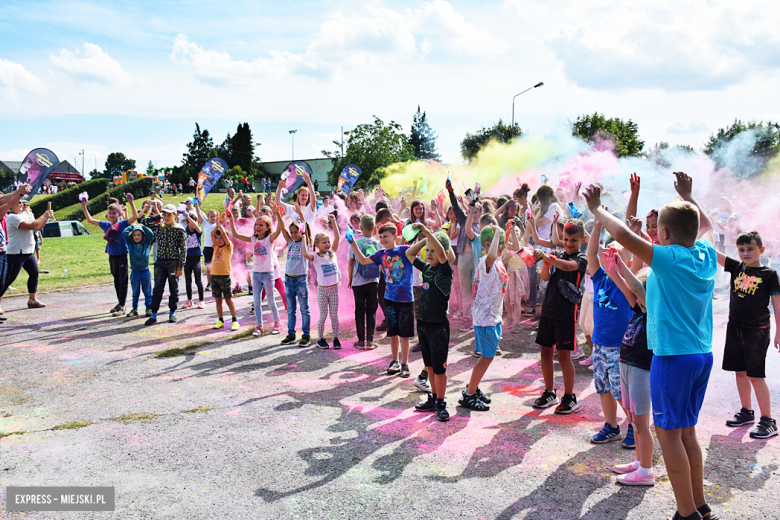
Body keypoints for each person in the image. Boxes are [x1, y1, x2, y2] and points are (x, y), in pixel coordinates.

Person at [583, 172, 720, 520]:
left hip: (673, 358)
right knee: (686, 431)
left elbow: (624, 235)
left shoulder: (671, 258)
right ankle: (700, 506)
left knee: (669, 435)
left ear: (665, 234)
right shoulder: (704, 253)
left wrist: (597, 209)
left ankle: (686, 513)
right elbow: (705, 226)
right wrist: (689, 195)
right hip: (701, 355)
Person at [716, 230, 780, 439]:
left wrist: (779, 332)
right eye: (741, 249)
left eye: (750, 249)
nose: (745, 253)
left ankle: (768, 420)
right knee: (740, 372)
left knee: (755, 375)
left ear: (761, 250)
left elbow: (777, 307)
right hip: (735, 328)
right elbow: (714, 253)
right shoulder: (737, 268)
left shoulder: (769, 275)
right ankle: (746, 412)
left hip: (757, 331)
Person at [606, 257, 655, 486]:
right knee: (634, 421)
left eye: (642, 293)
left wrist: (622, 266)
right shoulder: (638, 309)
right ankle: (639, 462)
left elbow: (634, 287)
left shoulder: (655, 314)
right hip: (627, 365)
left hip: (641, 370)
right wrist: (612, 269)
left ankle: (646, 472)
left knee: (642, 425)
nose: (637, 298)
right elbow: (625, 287)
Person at [531, 218, 587, 414]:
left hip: (565, 315)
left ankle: (570, 397)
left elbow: (568, 267)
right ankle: (549, 392)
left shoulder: (580, 259)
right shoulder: (558, 255)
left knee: (564, 357)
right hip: (548, 311)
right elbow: (546, 277)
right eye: (565, 239)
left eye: (573, 240)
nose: (569, 244)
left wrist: (549, 258)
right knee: (545, 353)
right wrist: (546, 263)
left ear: (582, 240)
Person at [586, 220, 635, 446]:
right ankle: (611, 426)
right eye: (609, 256)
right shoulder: (600, 280)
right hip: (599, 344)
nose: (610, 260)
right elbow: (591, 254)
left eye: (616, 257)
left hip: (619, 347)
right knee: (603, 387)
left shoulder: (628, 285)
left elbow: (638, 261)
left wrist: (634, 235)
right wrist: (597, 226)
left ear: (628, 263)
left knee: (620, 392)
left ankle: (635, 426)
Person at [351, 222, 414, 376]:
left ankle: (405, 363)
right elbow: (364, 261)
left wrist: (420, 232)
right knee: (393, 333)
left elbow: (418, 249)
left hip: (406, 299)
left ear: (395, 236)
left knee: (405, 334)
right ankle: (395, 361)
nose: (383, 239)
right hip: (389, 299)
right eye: (381, 237)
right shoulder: (381, 254)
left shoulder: (405, 250)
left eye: (386, 236)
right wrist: (352, 243)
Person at [458, 225, 508, 411]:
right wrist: (497, 235)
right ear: (488, 244)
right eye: (498, 243)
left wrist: (506, 231)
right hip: (486, 319)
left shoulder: (495, 261)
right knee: (486, 357)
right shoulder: (486, 261)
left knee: (487, 356)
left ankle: (473, 387)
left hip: (492, 317)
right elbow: (493, 254)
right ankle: (469, 395)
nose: (502, 247)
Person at [406, 225, 453, 421]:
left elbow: (442, 253)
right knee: (430, 367)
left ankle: (441, 403)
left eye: (434, 250)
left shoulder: (445, 269)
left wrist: (427, 231)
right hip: (423, 323)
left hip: (438, 326)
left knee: (439, 369)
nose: (430, 253)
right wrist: (425, 240)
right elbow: (409, 253)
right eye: (428, 250)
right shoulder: (425, 267)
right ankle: (433, 399)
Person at [81, 194, 139, 316]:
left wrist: (131, 203)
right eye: (110, 213)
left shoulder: (123, 224)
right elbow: (90, 220)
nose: (112, 215)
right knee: (116, 280)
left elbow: (135, 216)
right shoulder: (106, 224)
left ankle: (122, 306)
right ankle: (120, 303)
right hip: (112, 255)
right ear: (108, 214)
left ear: (119, 214)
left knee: (123, 280)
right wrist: (84, 206)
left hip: (122, 255)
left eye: (114, 213)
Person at [229, 211, 283, 336]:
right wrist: (232, 220)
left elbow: (279, 229)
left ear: (267, 228)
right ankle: (259, 326)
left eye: (261, 225)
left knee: (271, 301)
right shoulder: (253, 239)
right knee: (257, 302)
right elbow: (236, 234)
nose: (257, 227)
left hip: (268, 275)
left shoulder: (269, 239)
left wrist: (279, 215)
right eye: (256, 225)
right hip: (257, 275)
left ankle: (277, 323)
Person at [0, 195, 53, 311]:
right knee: (9, 278)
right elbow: (30, 226)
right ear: (10, 206)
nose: (21, 204)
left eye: (21, 202)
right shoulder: (12, 217)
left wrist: (46, 218)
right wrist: (43, 215)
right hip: (16, 252)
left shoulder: (23, 215)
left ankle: (32, 300)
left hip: (28, 251)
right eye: (18, 202)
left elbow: (37, 228)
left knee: (34, 274)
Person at [141, 204, 187, 326]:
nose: (166, 217)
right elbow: (143, 221)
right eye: (164, 214)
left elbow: (183, 251)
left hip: (173, 263)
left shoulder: (179, 229)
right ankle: (153, 314)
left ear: (175, 215)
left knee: (174, 288)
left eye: (169, 215)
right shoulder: (159, 227)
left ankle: (172, 312)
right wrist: (158, 215)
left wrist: (180, 267)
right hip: (160, 262)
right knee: (157, 289)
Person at [302, 214, 341, 349]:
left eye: (328, 242)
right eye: (324, 242)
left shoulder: (333, 252)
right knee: (323, 315)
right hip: (323, 291)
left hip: (334, 289)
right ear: (317, 245)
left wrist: (333, 222)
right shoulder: (315, 256)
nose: (327, 244)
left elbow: (338, 237)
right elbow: (305, 254)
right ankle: (320, 339)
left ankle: (336, 338)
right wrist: (303, 238)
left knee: (334, 316)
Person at [348, 215, 381, 349]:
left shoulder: (356, 243)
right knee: (371, 311)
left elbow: (351, 262)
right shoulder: (377, 243)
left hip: (358, 282)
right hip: (373, 281)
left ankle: (361, 341)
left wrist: (350, 278)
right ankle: (370, 341)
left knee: (359, 310)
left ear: (360, 228)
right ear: (374, 229)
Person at [278, 216, 311, 347]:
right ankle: (291, 333)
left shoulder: (305, 241)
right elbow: (281, 228)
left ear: (301, 231)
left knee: (304, 309)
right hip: (288, 280)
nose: (293, 235)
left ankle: (306, 335)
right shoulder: (290, 241)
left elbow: (306, 230)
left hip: (301, 280)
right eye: (291, 232)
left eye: (295, 232)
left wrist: (300, 216)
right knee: (291, 309)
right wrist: (278, 214)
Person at [210, 214, 239, 331]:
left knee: (228, 299)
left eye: (221, 237)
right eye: (217, 238)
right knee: (218, 300)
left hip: (224, 276)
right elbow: (213, 233)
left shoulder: (228, 246)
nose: (218, 240)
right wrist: (218, 223)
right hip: (214, 276)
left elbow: (224, 237)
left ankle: (234, 320)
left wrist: (219, 224)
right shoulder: (215, 246)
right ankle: (220, 320)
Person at [122, 223, 155, 317]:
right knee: (135, 292)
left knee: (147, 291)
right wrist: (132, 226)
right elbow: (124, 233)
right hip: (135, 272)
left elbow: (151, 234)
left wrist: (143, 226)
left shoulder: (146, 242)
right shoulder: (130, 243)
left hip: (145, 271)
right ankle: (134, 308)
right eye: (135, 235)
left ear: (143, 235)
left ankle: (148, 308)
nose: (136, 237)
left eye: (139, 235)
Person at [181, 210, 206, 310]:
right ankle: (189, 300)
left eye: (194, 221)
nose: (192, 224)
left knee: (198, 280)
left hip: (196, 258)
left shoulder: (197, 231)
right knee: (188, 280)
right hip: (187, 259)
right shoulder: (184, 231)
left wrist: (188, 217)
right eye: (189, 222)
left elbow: (198, 228)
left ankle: (201, 300)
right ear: (187, 223)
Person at [203, 210, 218, 291]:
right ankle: (209, 283)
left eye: (214, 216)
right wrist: (197, 204)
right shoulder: (205, 224)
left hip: (216, 248)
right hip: (207, 248)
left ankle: (217, 282)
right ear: (208, 217)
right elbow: (198, 214)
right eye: (211, 216)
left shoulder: (218, 224)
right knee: (209, 267)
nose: (213, 218)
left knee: (217, 266)